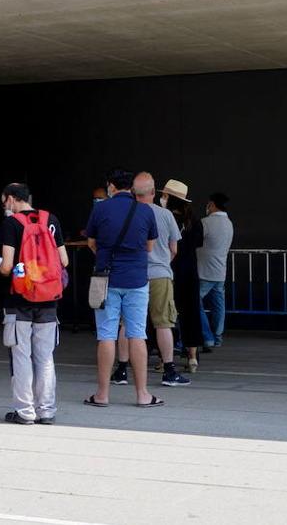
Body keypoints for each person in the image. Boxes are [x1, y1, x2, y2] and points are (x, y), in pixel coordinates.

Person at [84, 168, 162, 408]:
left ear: (111, 186)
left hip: (105, 279)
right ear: (131, 187)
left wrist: (106, 257)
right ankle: (142, 394)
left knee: (106, 334)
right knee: (137, 334)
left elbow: (91, 242)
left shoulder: (100, 208)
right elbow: (149, 247)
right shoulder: (145, 211)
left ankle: (102, 394)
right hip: (137, 280)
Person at [0, 182, 68, 425]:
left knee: (21, 355)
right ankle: (47, 410)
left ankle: (25, 412)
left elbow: (7, 266)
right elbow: (64, 261)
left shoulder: (11, 224)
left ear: (11, 199)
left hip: (19, 300)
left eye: (4, 200)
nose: (4, 205)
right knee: (45, 357)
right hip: (49, 300)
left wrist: (0, 266)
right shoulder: (51, 220)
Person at [131, 173, 189, 387]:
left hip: (133, 275)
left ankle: (120, 369)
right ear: (154, 193)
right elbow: (174, 249)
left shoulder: (129, 214)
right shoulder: (165, 215)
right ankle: (169, 370)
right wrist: (163, 260)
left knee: (127, 324)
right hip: (160, 275)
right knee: (163, 323)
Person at [163, 180, 204, 372]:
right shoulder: (194, 220)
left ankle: (166, 359)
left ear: (169, 199)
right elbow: (198, 243)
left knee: (166, 316)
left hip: (170, 271)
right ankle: (192, 357)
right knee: (191, 313)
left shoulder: (166, 217)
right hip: (190, 271)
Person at [197, 192, 234, 349]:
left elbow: (195, 242)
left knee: (193, 302)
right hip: (220, 271)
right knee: (218, 304)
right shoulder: (229, 223)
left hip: (204, 271)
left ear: (211, 205)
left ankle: (207, 336)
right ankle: (217, 337)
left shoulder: (205, 223)